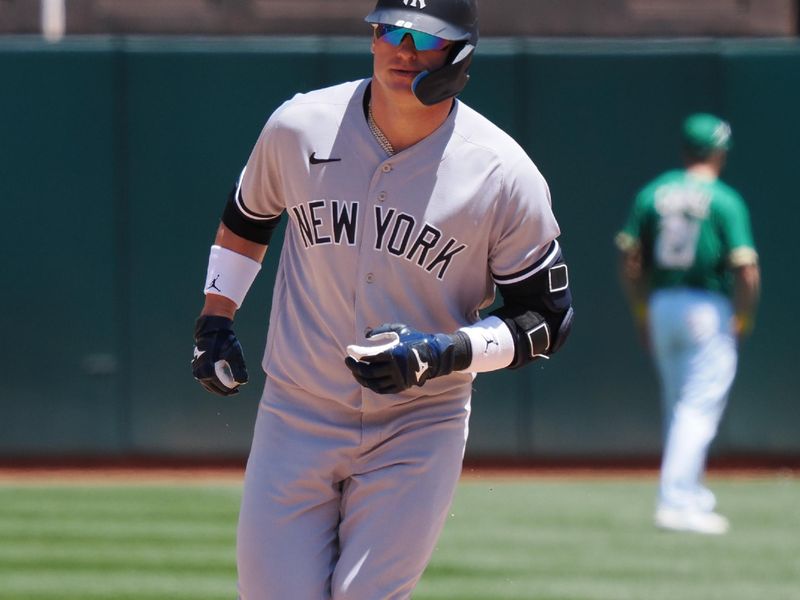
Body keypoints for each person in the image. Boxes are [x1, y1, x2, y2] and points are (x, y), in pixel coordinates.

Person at [191, 0, 574, 596]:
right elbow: (248, 216)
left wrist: (446, 352)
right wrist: (216, 320)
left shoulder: (501, 173)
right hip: (297, 410)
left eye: (425, 38)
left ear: (459, 55)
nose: (403, 47)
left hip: (419, 424)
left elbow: (547, 319)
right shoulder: (300, 126)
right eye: (390, 30)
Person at [616, 113, 760, 535]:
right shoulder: (725, 199)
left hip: (662, 304)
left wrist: (642, 311)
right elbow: (747, 270)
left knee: (680, 406)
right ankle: (676, 501)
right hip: (706, 306)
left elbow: (629, 261)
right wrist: (744, 316)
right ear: (718, 151)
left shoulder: (653, 192)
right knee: (698, 408)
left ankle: (690, 492)